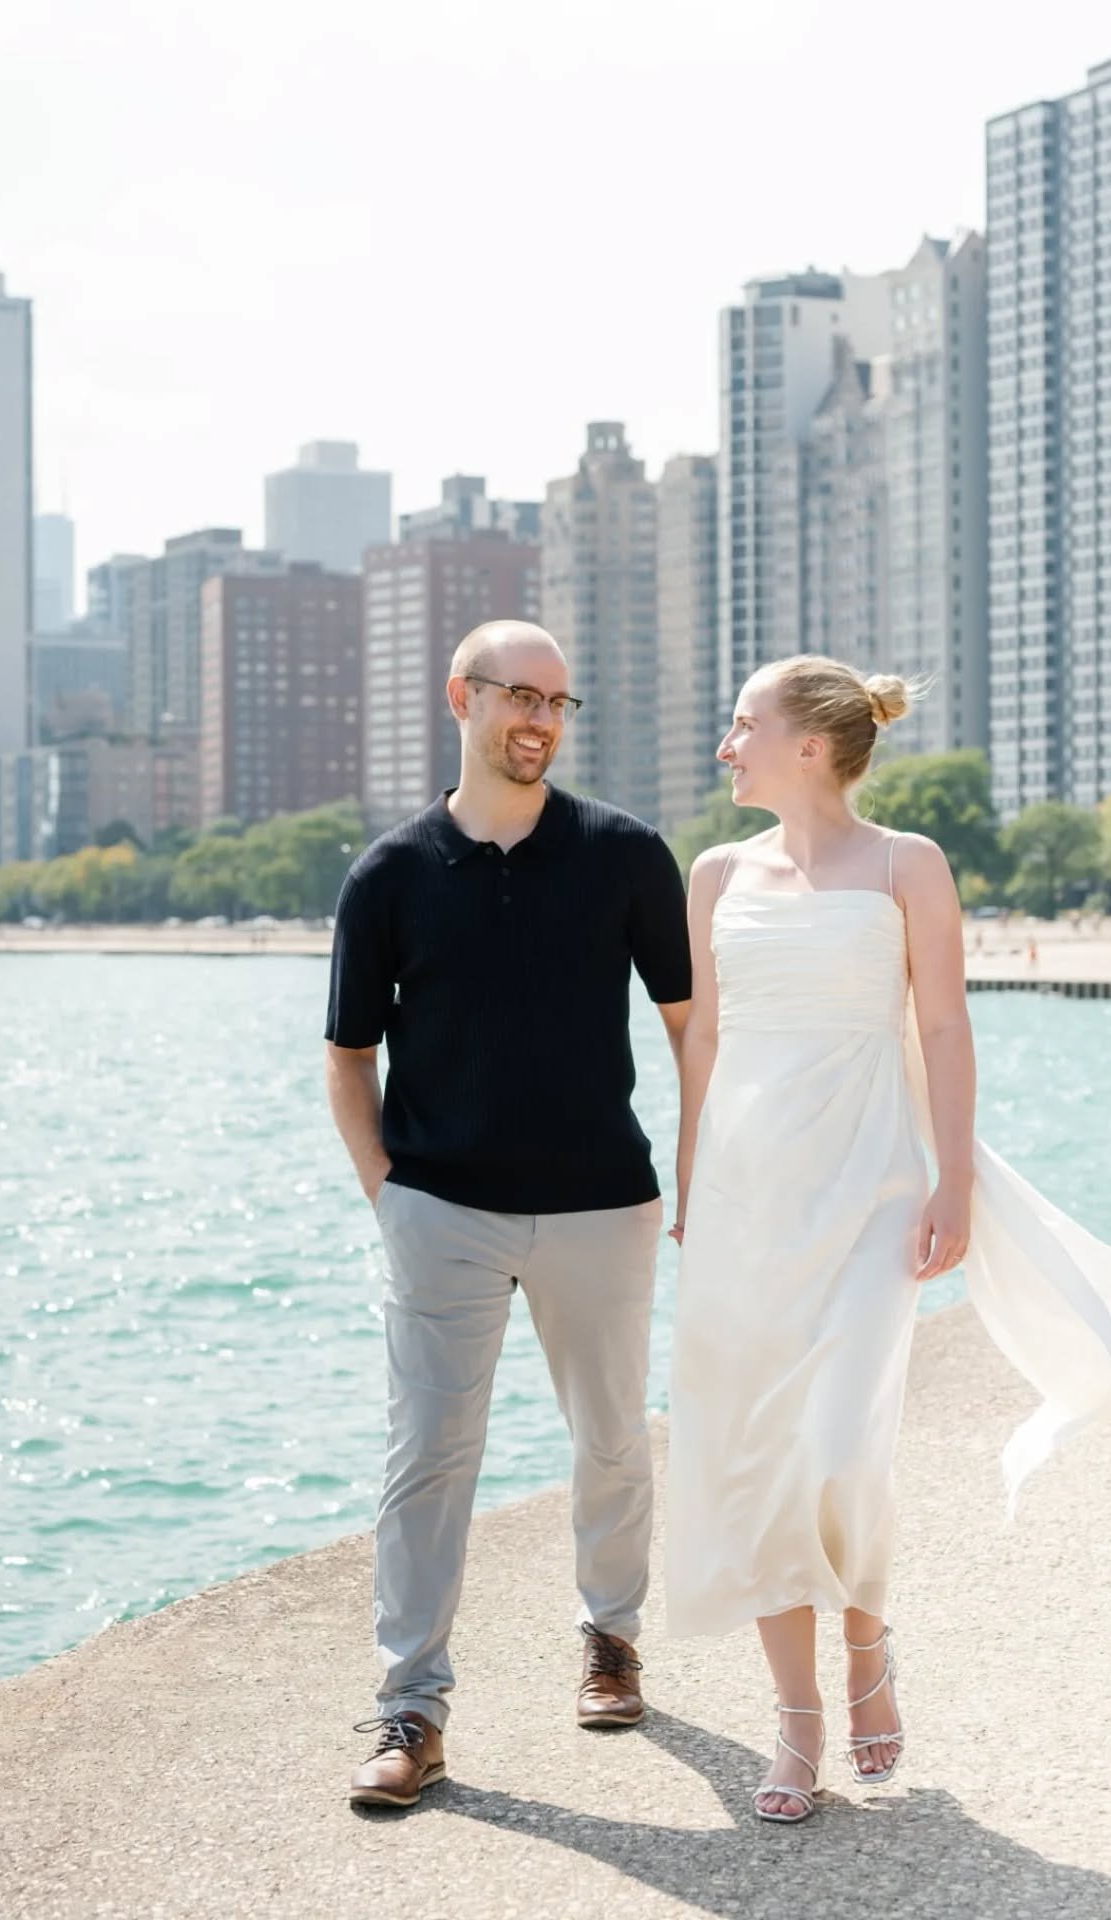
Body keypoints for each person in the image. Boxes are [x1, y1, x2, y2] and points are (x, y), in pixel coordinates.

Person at [665, 655, 1111, 1825]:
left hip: (873, 1184)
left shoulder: (906, 864)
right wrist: (689, 1183)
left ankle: (867, 1643)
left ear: (810, 746)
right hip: (745, 1199)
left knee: (840, 1441)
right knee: (757, 1452)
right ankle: (796, 1724)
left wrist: (955, 1182)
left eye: (743, 725)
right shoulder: (715, 872)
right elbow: (704, 1039)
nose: (726, 747)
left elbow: (941, 1025)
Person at [325, 620, 691, 1809]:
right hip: (442, 1210)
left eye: (557, 703)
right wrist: (391, 1194)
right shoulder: (389, 873)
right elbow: (349, 1055)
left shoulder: (627, 855)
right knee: (428, 1458)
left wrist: (698, 1169)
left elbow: (691, 1026)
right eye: (519, 696)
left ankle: (611, 1639)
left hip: (602, 1204)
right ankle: (411, 1711)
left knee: (613, 1438)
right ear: (462, 699)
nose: (540, 720)